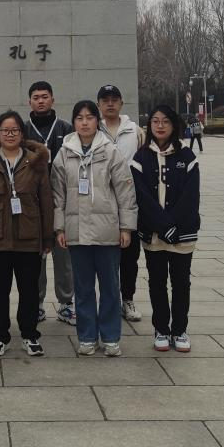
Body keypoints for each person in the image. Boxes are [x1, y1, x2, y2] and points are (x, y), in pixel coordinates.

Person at [54, 99, 138, 357]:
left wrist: (126, 227)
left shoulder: (110, 151)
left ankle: (111, 337)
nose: (84, 123)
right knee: (83, 288)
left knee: (110, 287)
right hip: (76, 231)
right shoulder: (64, 153)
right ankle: (87, 336)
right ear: (74, 122)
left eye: (89, 117)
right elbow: (58, 196)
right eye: (79, 118)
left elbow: (125, 191)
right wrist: (59, 228)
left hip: (107, 231)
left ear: (96, 121)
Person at [0, 110, 52, 356]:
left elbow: (46, 201)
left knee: (29, 290)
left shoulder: (35, 162)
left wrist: (47, 237)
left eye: (14, 130)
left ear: (22, 133)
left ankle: (30, 335)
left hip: (29, 236)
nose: (10, 134)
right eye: (5, 130)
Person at [130, 105, 200, 353]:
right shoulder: (140, 157)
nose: (160, 126)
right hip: (154, 234)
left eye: (165, 121)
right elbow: (142, 196)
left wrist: (172, 226)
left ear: (174, 125)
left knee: (181, 283)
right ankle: (161, 329)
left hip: (182, 234)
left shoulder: (187, 157)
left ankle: (179, 330)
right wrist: (162, 226)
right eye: (155, 121)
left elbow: (190, 197)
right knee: (157, 282)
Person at [25, 81, 75, 325]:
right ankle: (36, 303)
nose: (41, 101)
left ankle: (66, 303)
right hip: (33, 203)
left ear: (53, 100)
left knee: (64, 256)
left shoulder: (66, 128)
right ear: (30, 102)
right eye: (36, 97)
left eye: (45, 96)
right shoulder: (23, 130)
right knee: (37, 258)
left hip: (62, 200)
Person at [96, 84, 144, 324]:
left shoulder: (135, 131)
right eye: (105, 100)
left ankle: (128, 299)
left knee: (129, 256)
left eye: (114, 99)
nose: (110, 103)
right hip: (102, 203)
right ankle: (109, 300)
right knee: (105, 257)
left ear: (121, 103)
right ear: (99, 105)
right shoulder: (93, 130)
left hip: (129, 202)